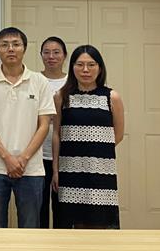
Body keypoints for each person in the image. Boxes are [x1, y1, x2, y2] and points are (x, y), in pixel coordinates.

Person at [0, 27, 56, 228]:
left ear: (24, 48)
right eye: (4, 45)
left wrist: (23, 158)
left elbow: (44, 126)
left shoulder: (39, 81)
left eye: (16, 44)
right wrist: (7, 158)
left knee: (30, 229)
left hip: (31, 168)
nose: (10, 49)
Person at [52, 45, 124, 229]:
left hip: (101, 171)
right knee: (73, 224)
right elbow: (56, 134)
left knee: (100, 223)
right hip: (70, 171)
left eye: (91, 65)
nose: (85, 70)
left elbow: (118, 134)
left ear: (99, 68)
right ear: (72, 67)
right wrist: (56, 171)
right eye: (80, 64)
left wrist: (96, 151)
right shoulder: (61, 96)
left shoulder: (111, 97)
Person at [39, 36, 68, 228]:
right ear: (41, 55)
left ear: (64, 55)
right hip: (38, 154)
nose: (51, 56)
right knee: (39, 208)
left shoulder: (71, 81)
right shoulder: (34, 79)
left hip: (65, 156)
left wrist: (53, 117)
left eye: (56, 52)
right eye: (46, 52)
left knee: (62, 210)